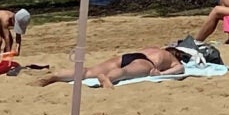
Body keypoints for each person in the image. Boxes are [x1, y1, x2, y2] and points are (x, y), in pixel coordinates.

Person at [40, 45, 185, 87]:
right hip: (146, 62)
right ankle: (107, 78)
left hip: (127, 55)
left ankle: (58, 75)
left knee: (88, 71)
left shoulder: (153, 47)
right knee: (124, 72)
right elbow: (180, 69)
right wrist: (161, 74)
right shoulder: (172, 57)